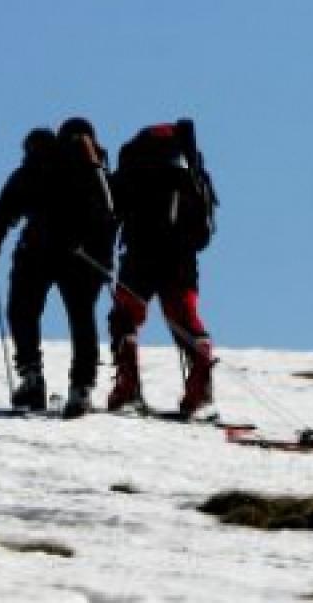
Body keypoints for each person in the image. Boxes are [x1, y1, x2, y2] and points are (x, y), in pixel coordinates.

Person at [0, 120, 116, 418]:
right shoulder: (93, 169)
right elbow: (107, 215)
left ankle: (31, 378)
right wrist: (103, 264)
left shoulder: (36, 164)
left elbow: (4, 210)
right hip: (81, 254)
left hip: (36, 250)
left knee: (23, 311)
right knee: (81, 317)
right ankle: (81, 389)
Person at [104, 119, 219, 420]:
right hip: (182, 257)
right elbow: (204, 234)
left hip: (140, 253)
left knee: (125, 316)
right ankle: (201, 390)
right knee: (184, 317)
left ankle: (127, 388)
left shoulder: (134, 166)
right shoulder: (191, 171)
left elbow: (110, 209)